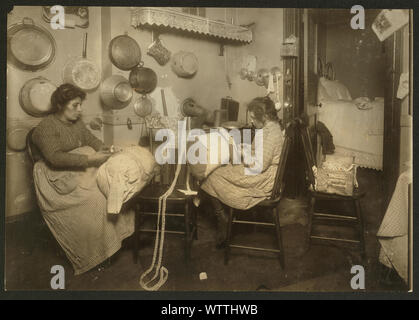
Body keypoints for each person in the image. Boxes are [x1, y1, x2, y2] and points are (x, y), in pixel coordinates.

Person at [31, 84, 134, 275]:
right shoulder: (45, 127)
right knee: (94, 200)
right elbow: (55, 158)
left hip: (77, 167)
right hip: (54, 176)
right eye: (75, 105)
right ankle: (94, 254)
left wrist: (107, 150)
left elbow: (91, 139)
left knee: (110, 187)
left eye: (80, 105)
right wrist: (89, 159)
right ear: (60, 105)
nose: (80, 110)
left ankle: (116, 240)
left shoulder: (76, 122)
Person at [200, 96, 284, 248]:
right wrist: (243, 148)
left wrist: (243, 152)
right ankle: (223, 216)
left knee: (212, 175)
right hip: (263, 173)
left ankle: (222, 218)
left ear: (263, 116)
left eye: (253, 117)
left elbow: (259, 166)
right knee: (224, 168)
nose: (251, 121)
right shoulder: (271, 128)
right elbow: (258, 154)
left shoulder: (269, 134)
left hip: (264, 180)